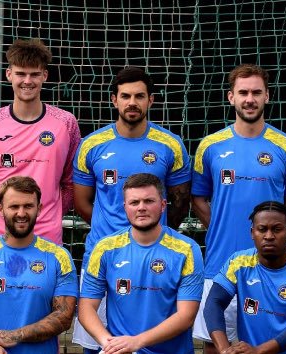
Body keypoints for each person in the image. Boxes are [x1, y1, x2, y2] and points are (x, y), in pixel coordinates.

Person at [71, 67, 191, 352]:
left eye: (139, 96)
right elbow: (81, 202)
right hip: (102, 254)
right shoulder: (92, 145)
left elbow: (180, 202)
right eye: (125, 96)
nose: (132, 102)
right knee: (98, 345)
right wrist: (117, 234)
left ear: (151, 100)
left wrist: (150, 234)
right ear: (114, 100)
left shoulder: (170, 145)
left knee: (152, 341)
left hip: (155, 256)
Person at [190, 64, 286, 351]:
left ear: (267, 96)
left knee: (268, 344)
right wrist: (220, 226)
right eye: (243, 92)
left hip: (271, 269)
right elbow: (198, 199)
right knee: (215, 346)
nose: (249, 99)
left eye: (256, 92)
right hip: (220, 264)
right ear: (231, 97)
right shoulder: (210, 146)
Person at [0, 38, 81, 245]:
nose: (27, 81)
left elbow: (71, 184)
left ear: (45, 75)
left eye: (35, 74)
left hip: (47, 237)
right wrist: (1, 217)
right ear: (9, 74)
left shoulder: (66, 123)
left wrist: (46, 215)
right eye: (21, 74)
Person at [79, 173, 203, 354]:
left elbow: (186, 316)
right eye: (134, 202)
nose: (141, 208)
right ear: (125, 207)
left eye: (149, 201)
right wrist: (109, 344)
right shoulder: (105, 248)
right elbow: (86, 307)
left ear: (162, 205)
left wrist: (136, 343)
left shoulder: (187, 250)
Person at [0, 176, 78, 353]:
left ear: (39, 209)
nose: (21, 213)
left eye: (28, 206)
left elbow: (64, 317)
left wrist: (16, 335)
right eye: (14, 206)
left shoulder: (59, 257)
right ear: (0, 209)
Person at [204, 201, 286, 354]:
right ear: (252, 232)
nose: (269, 236)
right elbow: (214, 303)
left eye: (277, 229)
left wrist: (259, 351)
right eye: (262, 229)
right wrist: (224, 350)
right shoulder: (238, 262)